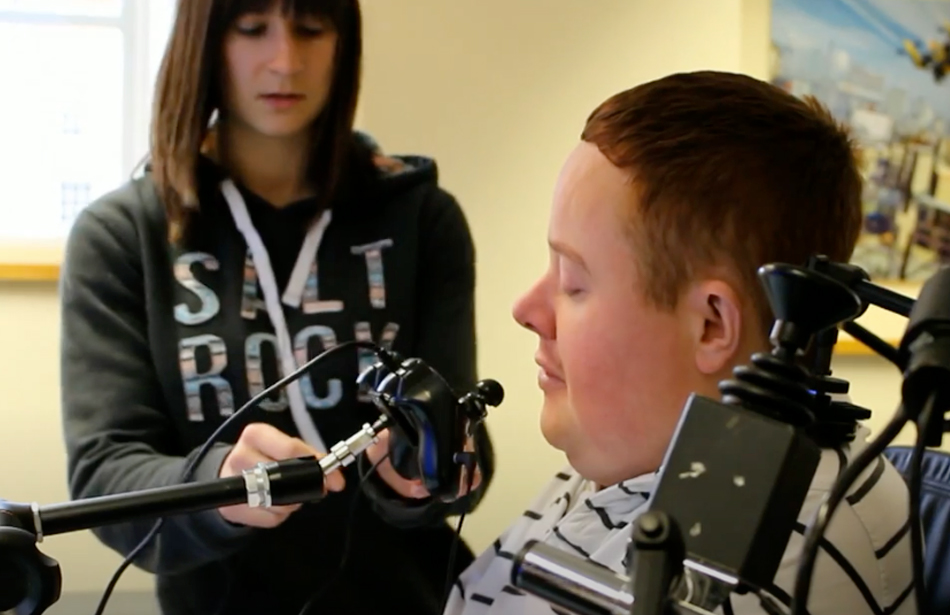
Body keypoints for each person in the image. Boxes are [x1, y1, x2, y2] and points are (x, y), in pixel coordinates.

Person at [59, 1, 493, 614]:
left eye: (312, 28)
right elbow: (106, 475)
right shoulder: (123, 235)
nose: (285, 61)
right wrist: (223, 487)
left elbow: (461, 446)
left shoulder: (422, 219)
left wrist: (428, 471)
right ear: (204, 43)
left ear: (344, 44)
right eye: (252, 28)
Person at [444, 71, 916, 615]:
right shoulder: (633, 452)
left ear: (711, 325)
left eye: (573, 281)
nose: (526, 310)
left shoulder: (761, 563)